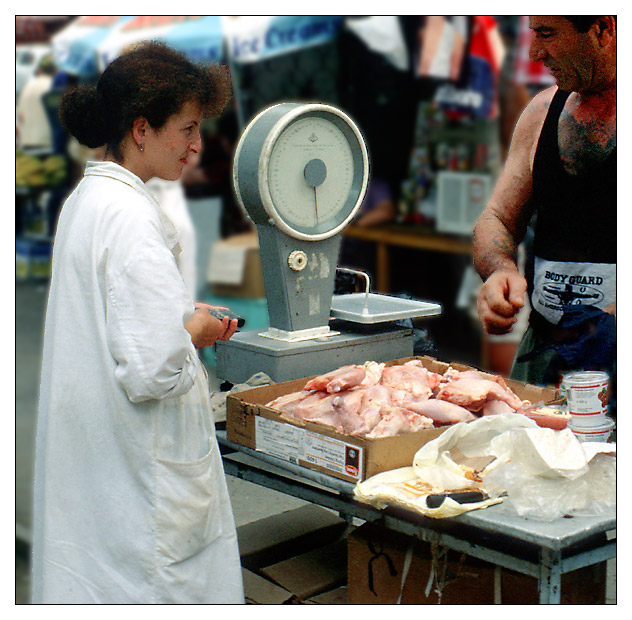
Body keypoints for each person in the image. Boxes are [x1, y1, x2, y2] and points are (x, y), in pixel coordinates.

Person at [31, 42, 244, 604]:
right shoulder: (130, 219)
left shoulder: (89, 198)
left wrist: (180, 317)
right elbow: (151, 370)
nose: (197, 145)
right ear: (142, 128)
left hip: (102, 473)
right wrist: (195, 329)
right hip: (142, 495)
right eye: (188, 128)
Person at [473, 16, 616, 387]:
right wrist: (500, 270)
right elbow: (498, 219)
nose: (535, 53)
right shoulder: (541, 112)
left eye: (547, 34)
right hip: (545, 349)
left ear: (604, 29)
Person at [16, 53, 56, 150]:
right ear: (56, 71)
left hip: (27, 143)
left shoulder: (27, 87)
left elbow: (20, 117)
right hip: (49, 144)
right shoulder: (53, 87)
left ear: (38, 70)